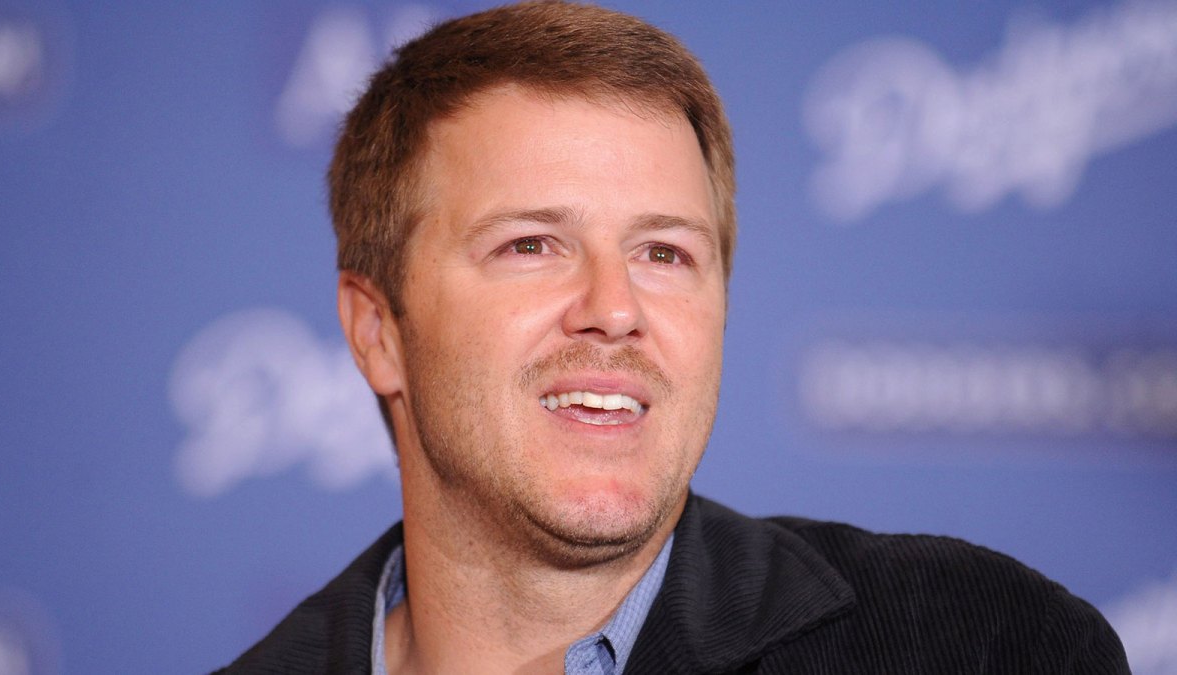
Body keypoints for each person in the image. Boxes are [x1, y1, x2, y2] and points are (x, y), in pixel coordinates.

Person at [218, 2, 1128, 673]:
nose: (614, 307)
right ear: (377, 331)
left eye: (662, 251)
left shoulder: (980, 645)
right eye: (531, 244)